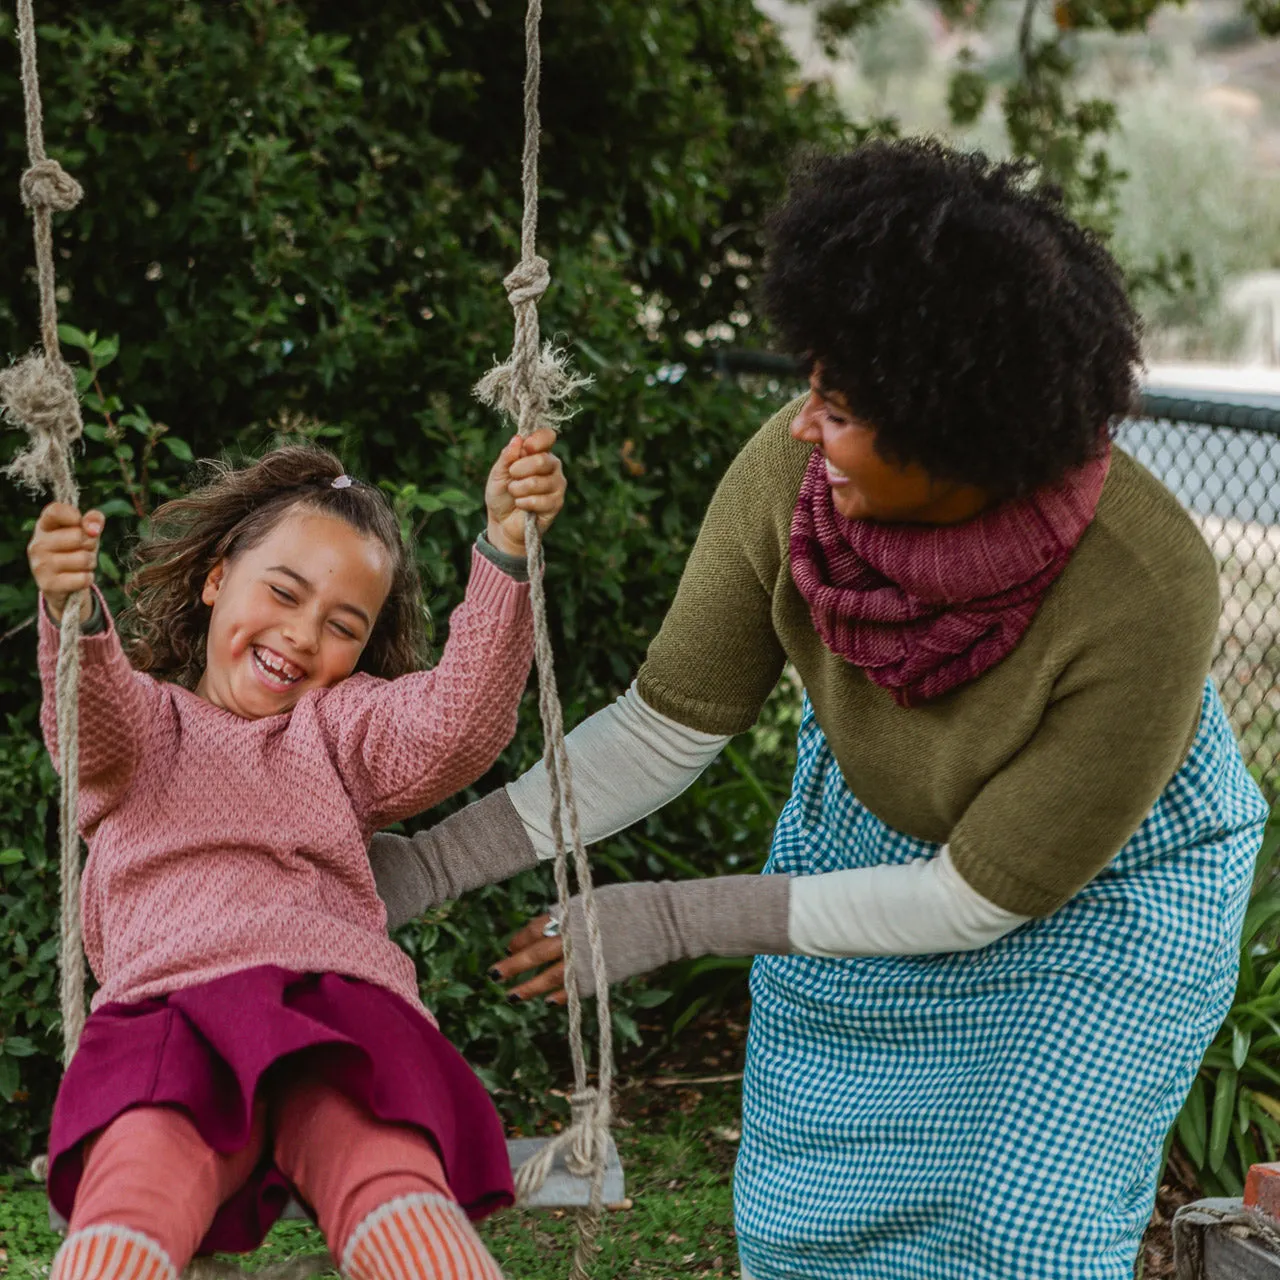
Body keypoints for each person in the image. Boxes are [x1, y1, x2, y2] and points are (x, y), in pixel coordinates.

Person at [365, 139, 1269, 1280]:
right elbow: (661, 726)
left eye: (836, 407)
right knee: (809, 1222)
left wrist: (672, 916)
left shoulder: (1143, 585)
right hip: (869, 832)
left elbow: (972, 893)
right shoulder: (786, 485)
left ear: (950, 431)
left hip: (1104, 884)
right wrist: (431, 864)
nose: (801, 424)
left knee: (1019, 1223)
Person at [27, 430, 565, 1280]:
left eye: (342, 625)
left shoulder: (337, 730)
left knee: (394, 1190)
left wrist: (503, 546)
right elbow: (89, 716)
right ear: (214, 580)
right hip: (172, 1013)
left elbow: (459, 722)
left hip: (336, 1009)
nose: (302, 635)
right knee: (131, 1197)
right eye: (282, 592)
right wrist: (75, 612)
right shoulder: (146, 732)